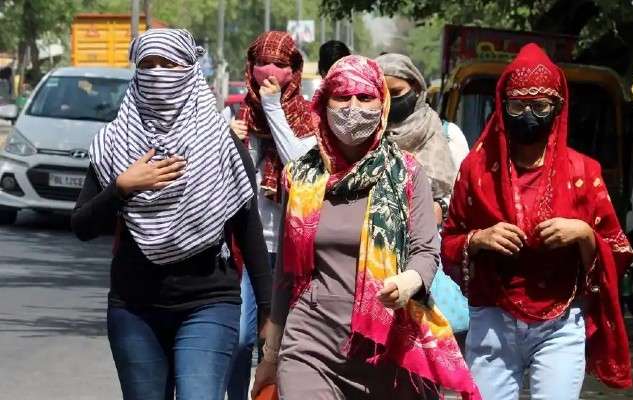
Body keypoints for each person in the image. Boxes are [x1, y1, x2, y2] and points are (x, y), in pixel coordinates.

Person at [251, 55, 481, 400]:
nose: (352, 108)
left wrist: (409, 281)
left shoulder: (406, 173)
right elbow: (286, 272)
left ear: (382, 102)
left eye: (364, 97)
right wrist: (270, 356)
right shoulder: (299, 177)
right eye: (342, 97)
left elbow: (425, 250)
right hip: (310, 343)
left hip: (387, 343)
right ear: (324, 102)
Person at [71, 29, 272, 400]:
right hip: (135, 308)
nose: (158, 73)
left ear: (190, 70)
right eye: (148, 65)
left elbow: (248, 229)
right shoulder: (113, 143)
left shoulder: (221, 144)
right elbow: (82, 226)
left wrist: (267, 311)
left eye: (169, 64)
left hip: (209, 302)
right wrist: (121, 188)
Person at [441, 43, 633, 400]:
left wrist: (584, 234)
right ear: (503, 106)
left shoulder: (583, 171)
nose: (528, 114)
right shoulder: (476, 170)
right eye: (517, 106)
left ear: (557, 109)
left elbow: (619, 250)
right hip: (493, 318)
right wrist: (479, 239)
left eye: (540, 106)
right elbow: (450, 242)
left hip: (560, 323)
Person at [225, 31, 318, 400]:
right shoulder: (235, 113)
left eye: (281, 64)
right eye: (263, 63)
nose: (270, 72)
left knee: (283, 342)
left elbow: (300, 166)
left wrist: (275, 108)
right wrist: (228, 139)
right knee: (241, 336)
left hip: (292, 248)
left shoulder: (309, 116)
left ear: (294, 70)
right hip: (247, 248)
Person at [375, 53, 466, 225]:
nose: (389, 101)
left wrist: (442, 207)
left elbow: (464, 194)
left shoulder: (447, 135)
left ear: (416, 87)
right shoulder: (369, 137)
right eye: (382, 95)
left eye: (395, 93)